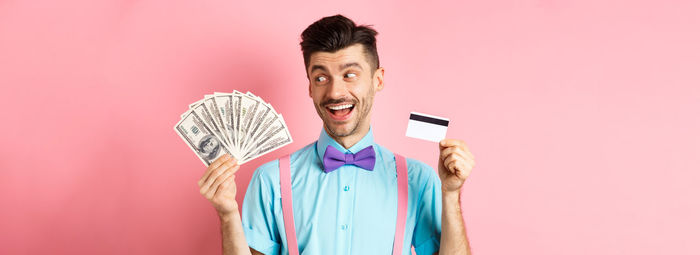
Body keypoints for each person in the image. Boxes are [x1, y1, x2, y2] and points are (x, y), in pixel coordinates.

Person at [197, 14, 476, 255]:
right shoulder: (269, 180)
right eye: (321, 78)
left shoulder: (419, 179)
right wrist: (227, 213)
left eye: (349, 74)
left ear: (377, 80)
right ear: (309, 87)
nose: (334, 92)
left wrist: (451, 195)